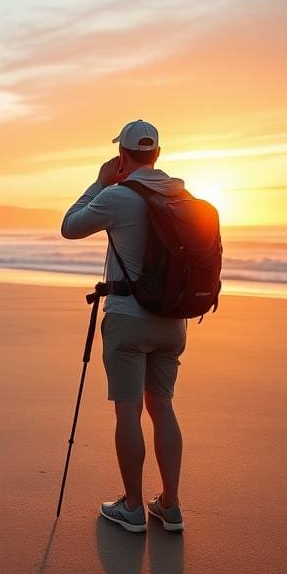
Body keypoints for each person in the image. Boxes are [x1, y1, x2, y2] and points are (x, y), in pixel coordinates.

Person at [61, 120, 187, 533]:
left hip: (128, 317)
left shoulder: (117, 195)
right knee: (163, 408)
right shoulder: (182, 195)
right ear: (157, 154)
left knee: (129, 411)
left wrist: (98, 183)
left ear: (122, 156)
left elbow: (70, 226)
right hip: (173, 320)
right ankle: (169, 505)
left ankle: (133, 506)